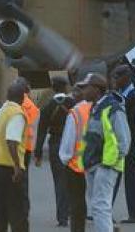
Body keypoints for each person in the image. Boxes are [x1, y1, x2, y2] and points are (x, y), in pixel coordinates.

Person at [79, 73, 130, 232]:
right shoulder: (96, 108)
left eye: (85, 87)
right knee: (99, 207)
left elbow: (124, 141)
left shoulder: (113, 109)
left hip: (105, 165)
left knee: (100, 206)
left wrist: (109, 164)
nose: (82, 91)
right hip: (95, 164)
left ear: (96, 89)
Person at [0, 82, 28, 232]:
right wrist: (17, 166)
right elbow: (12, 141)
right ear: (23, 97)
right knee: (18, 212)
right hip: (9, 168)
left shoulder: (2, 111)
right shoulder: (17, 114)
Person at [34, 76, 71, 227]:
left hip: (55, 144)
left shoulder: (47, 107)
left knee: (59, 181)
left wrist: (38, 153)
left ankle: (62, 217)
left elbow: (41, 131)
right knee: (73, 179)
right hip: (72, 144)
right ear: (66, 87)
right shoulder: (73, 104)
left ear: (53, 88)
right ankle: (74, 211)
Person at [111, 63, 135, 224]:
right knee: (114, 176)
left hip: (130, 143)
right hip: (122, 142)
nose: (114, 80)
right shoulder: (122, 95)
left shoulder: (134, 97)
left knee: (131, 178)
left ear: (127, 78)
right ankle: (104, 208)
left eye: (117, 77)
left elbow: (130, 123)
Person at [59, 84, 92, 232]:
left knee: (76, 204)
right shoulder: (95, 108)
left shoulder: (75, 113)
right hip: (93, 163)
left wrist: (64, 159)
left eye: (75, 92)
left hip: (75, 166)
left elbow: (68, 141)